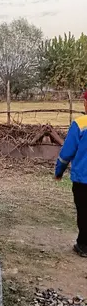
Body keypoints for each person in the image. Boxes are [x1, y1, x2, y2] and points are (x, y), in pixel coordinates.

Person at [55, 90, 87, 257]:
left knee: (84, 212)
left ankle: (83, 245)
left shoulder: (80, 124)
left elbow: (66, 153)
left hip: (83, 180)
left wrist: (58, 171)